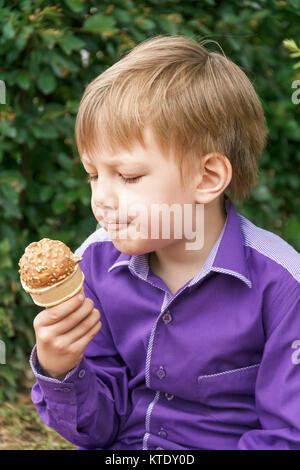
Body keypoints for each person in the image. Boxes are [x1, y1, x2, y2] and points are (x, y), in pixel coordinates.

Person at [29, 34, 300, 450]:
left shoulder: (282, 287)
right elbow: (96, 430)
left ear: (207, 178)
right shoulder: (94, 266)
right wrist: (62, 369)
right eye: (93, 174)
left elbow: (287, 433)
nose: (100, 197)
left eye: (129, 177)